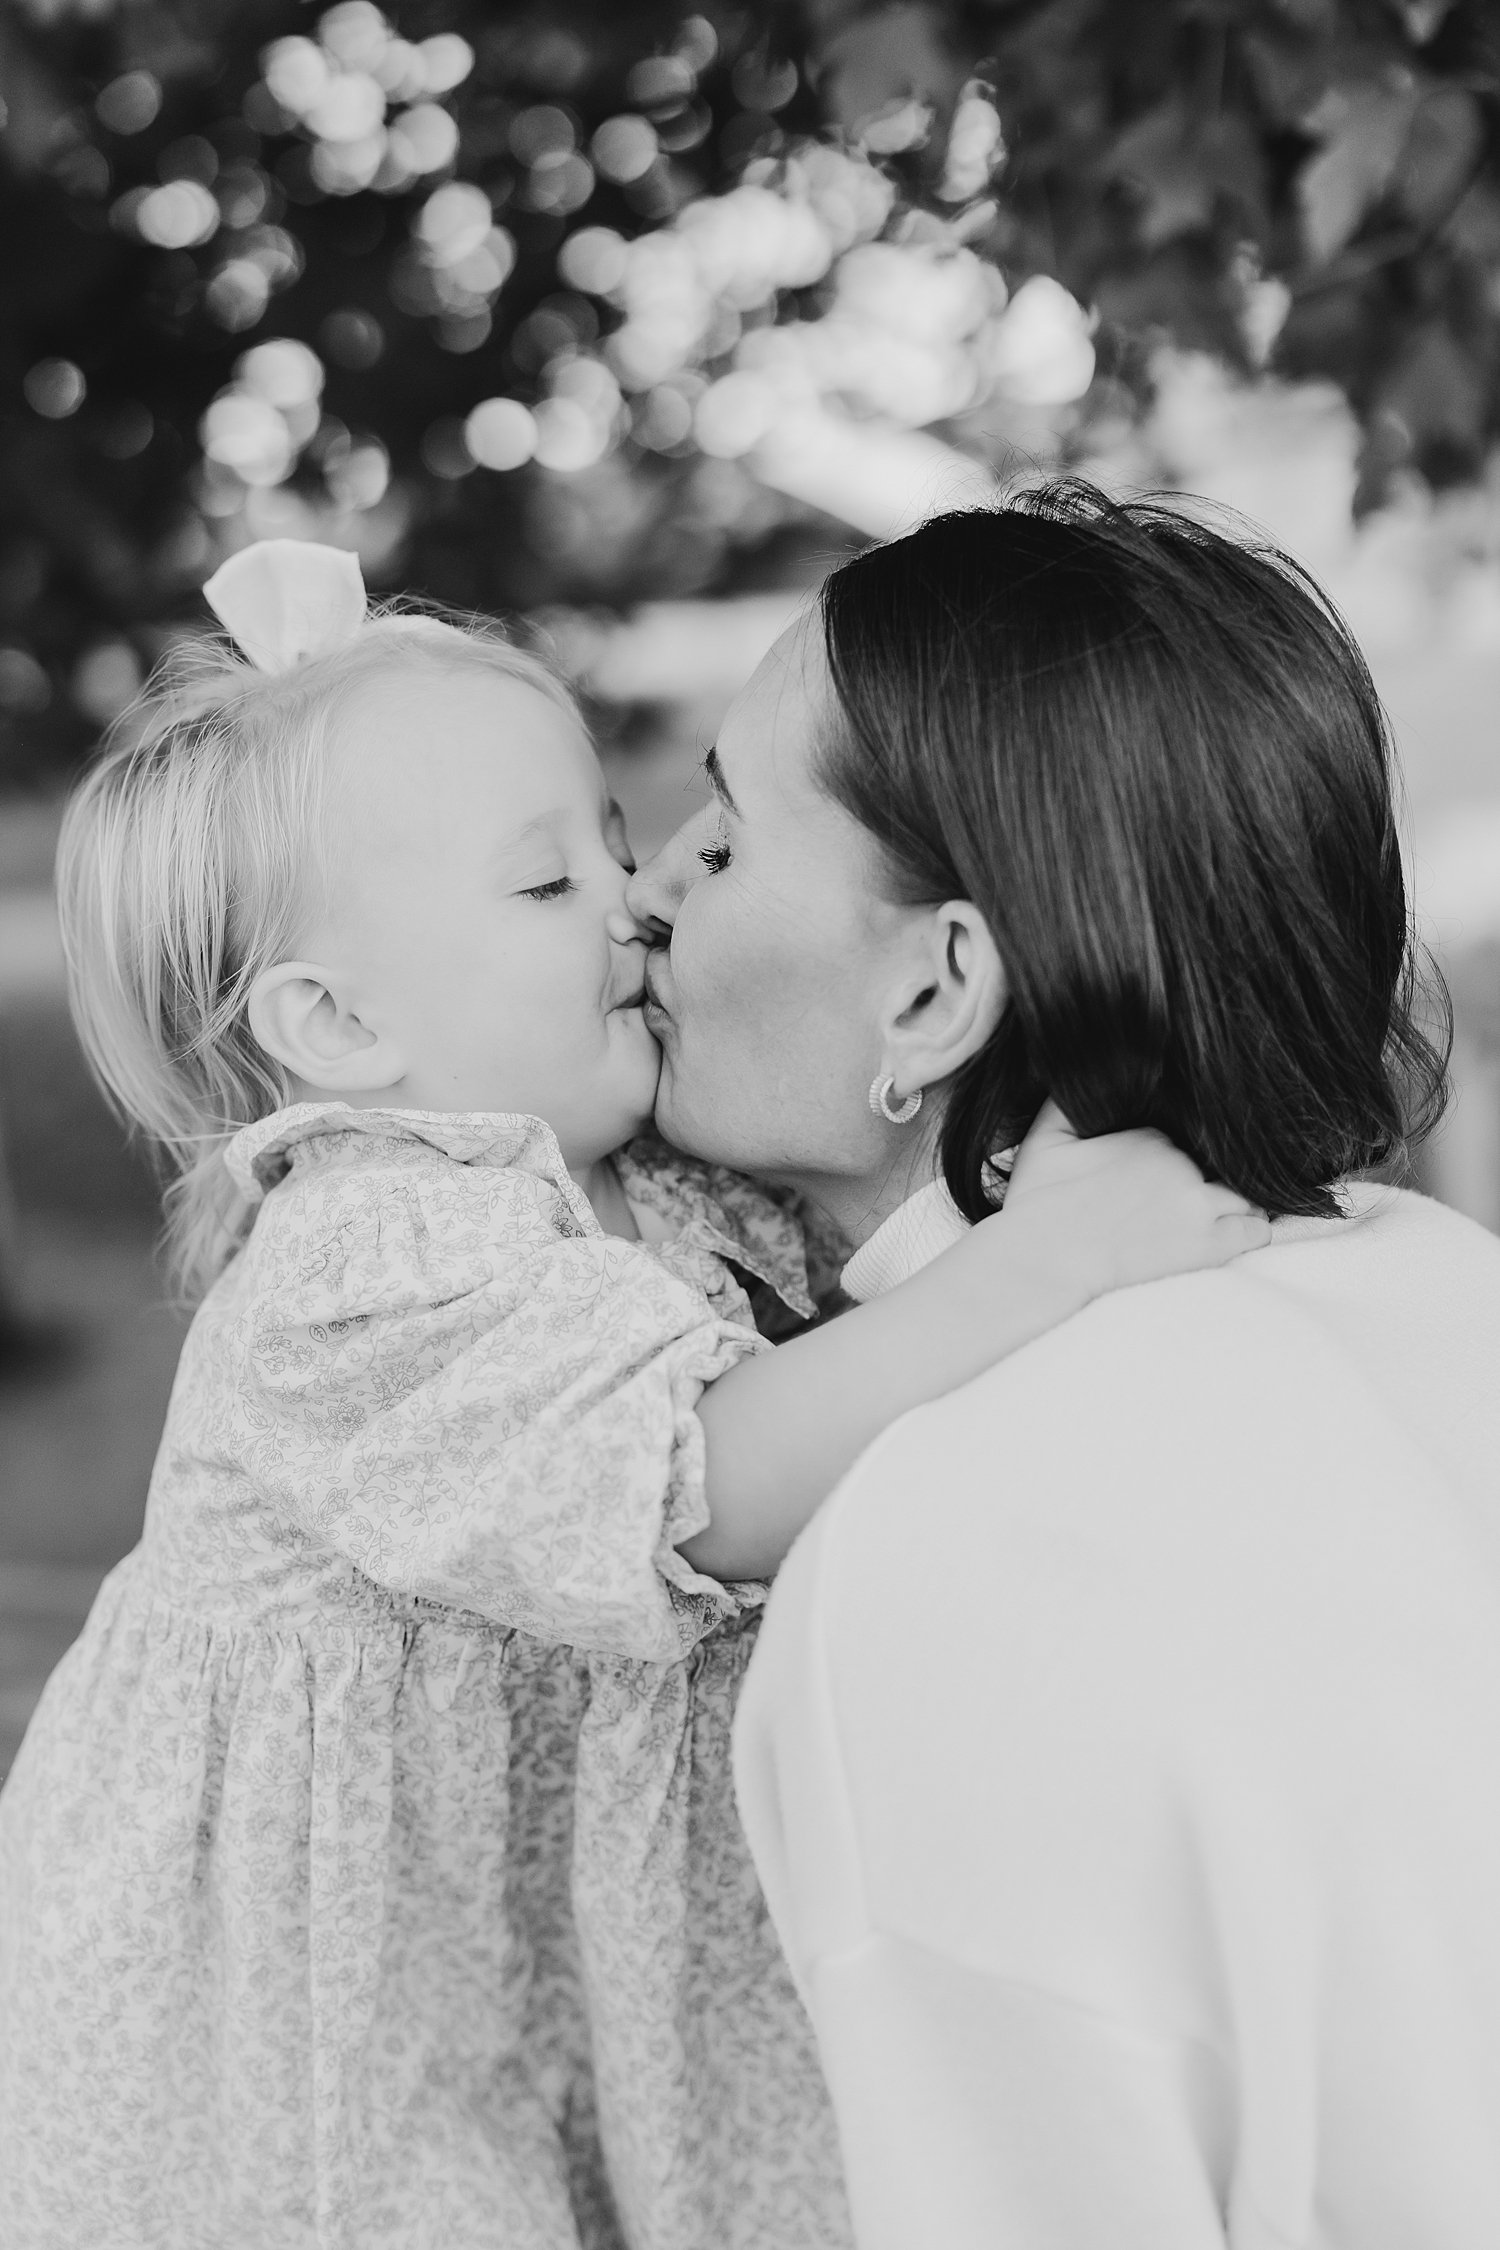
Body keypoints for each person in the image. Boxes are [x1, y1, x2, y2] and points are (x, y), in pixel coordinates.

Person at [0, 538, 1263, 2250]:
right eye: (548, 887)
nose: (637, 897)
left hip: (551, 1953)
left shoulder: (658, 1182)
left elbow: (861, 1322)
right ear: (337, 1022)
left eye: (616, 833)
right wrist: (1044, 1262)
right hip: (330, 2033)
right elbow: (712, 1476)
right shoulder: (364, 1264)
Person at [623, 483, 1500, 2250]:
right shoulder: (1447, 1288)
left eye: (718, 846)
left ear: (937, 996)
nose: (645, 895)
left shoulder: (934, 1558)